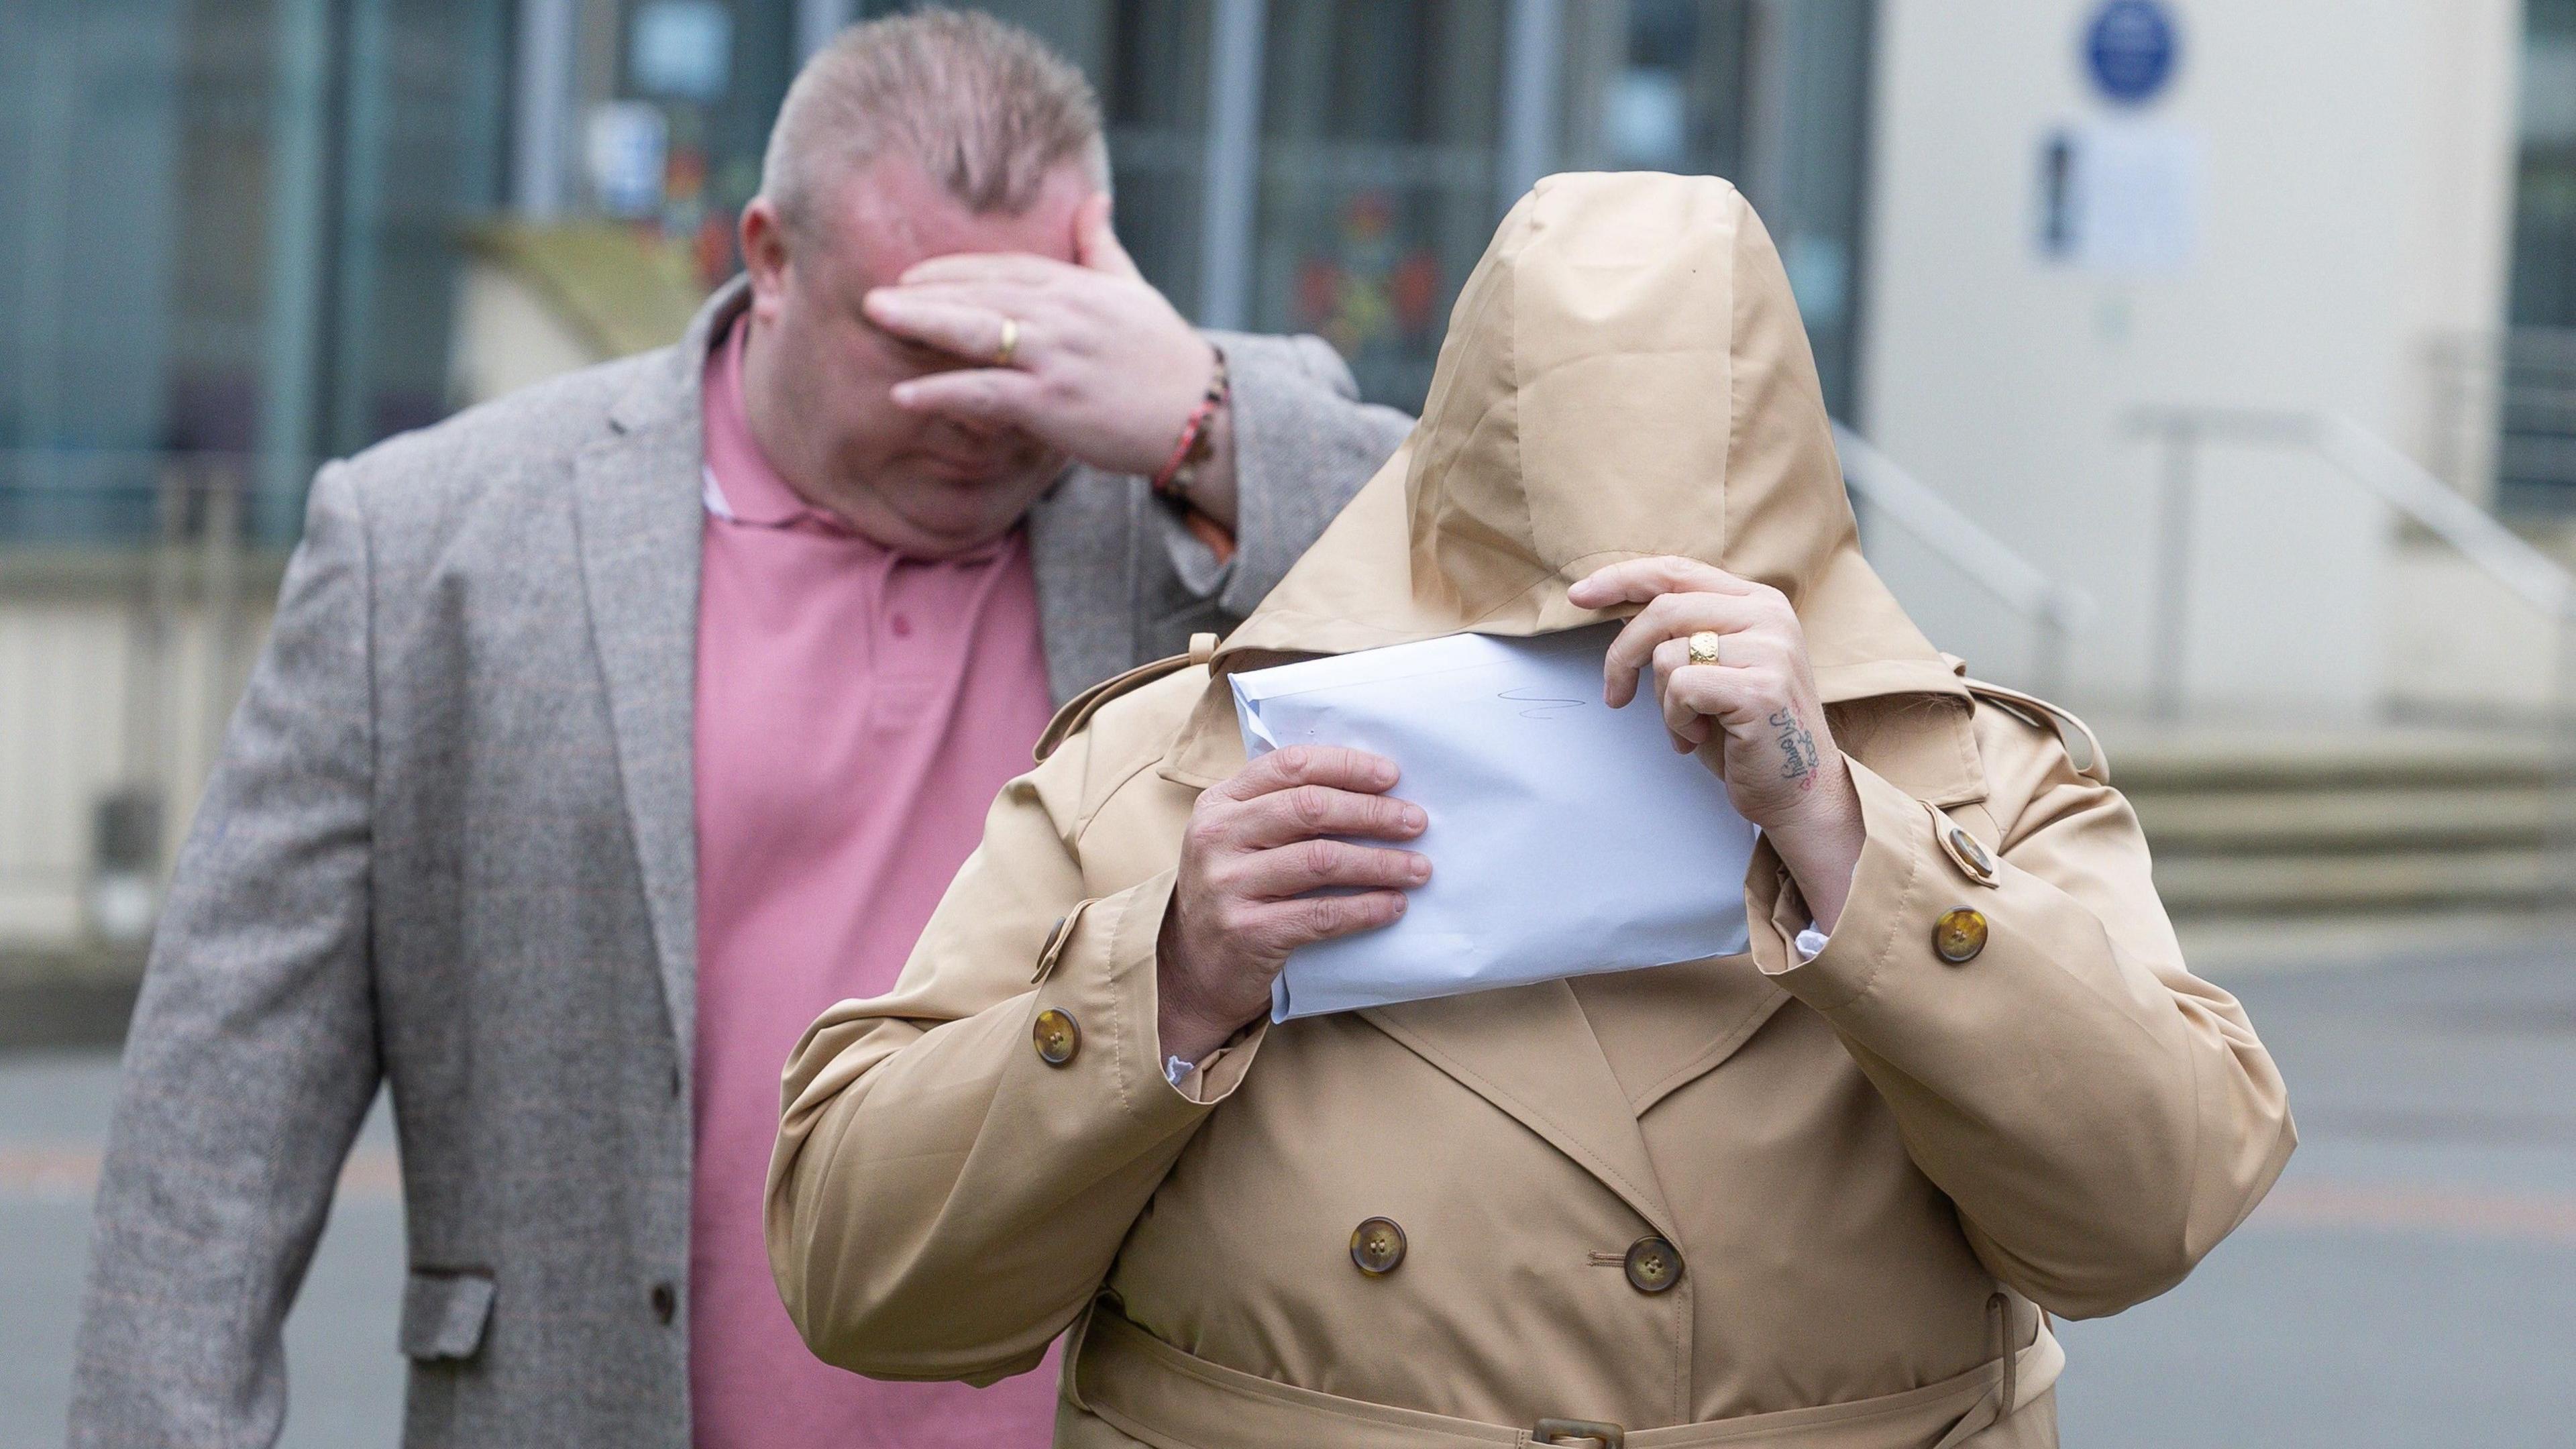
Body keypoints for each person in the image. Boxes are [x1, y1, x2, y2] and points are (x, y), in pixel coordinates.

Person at [767, 172, 2296, 1448]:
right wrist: (1165, 979)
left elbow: (2143, 1216)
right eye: (1550, 620)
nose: (1612, 682)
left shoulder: (1971, 780)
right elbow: (866, 1283)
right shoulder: (1172, 770)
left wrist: (1849, 840)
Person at [70, 11, 1409, 1449]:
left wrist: (1204, 416)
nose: (979, 403)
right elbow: (208, 1154)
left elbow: (1494, 584)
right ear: (767, 258)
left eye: (1029, 337)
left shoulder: (1190, 510)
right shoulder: (429, 547)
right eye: (920, 338)